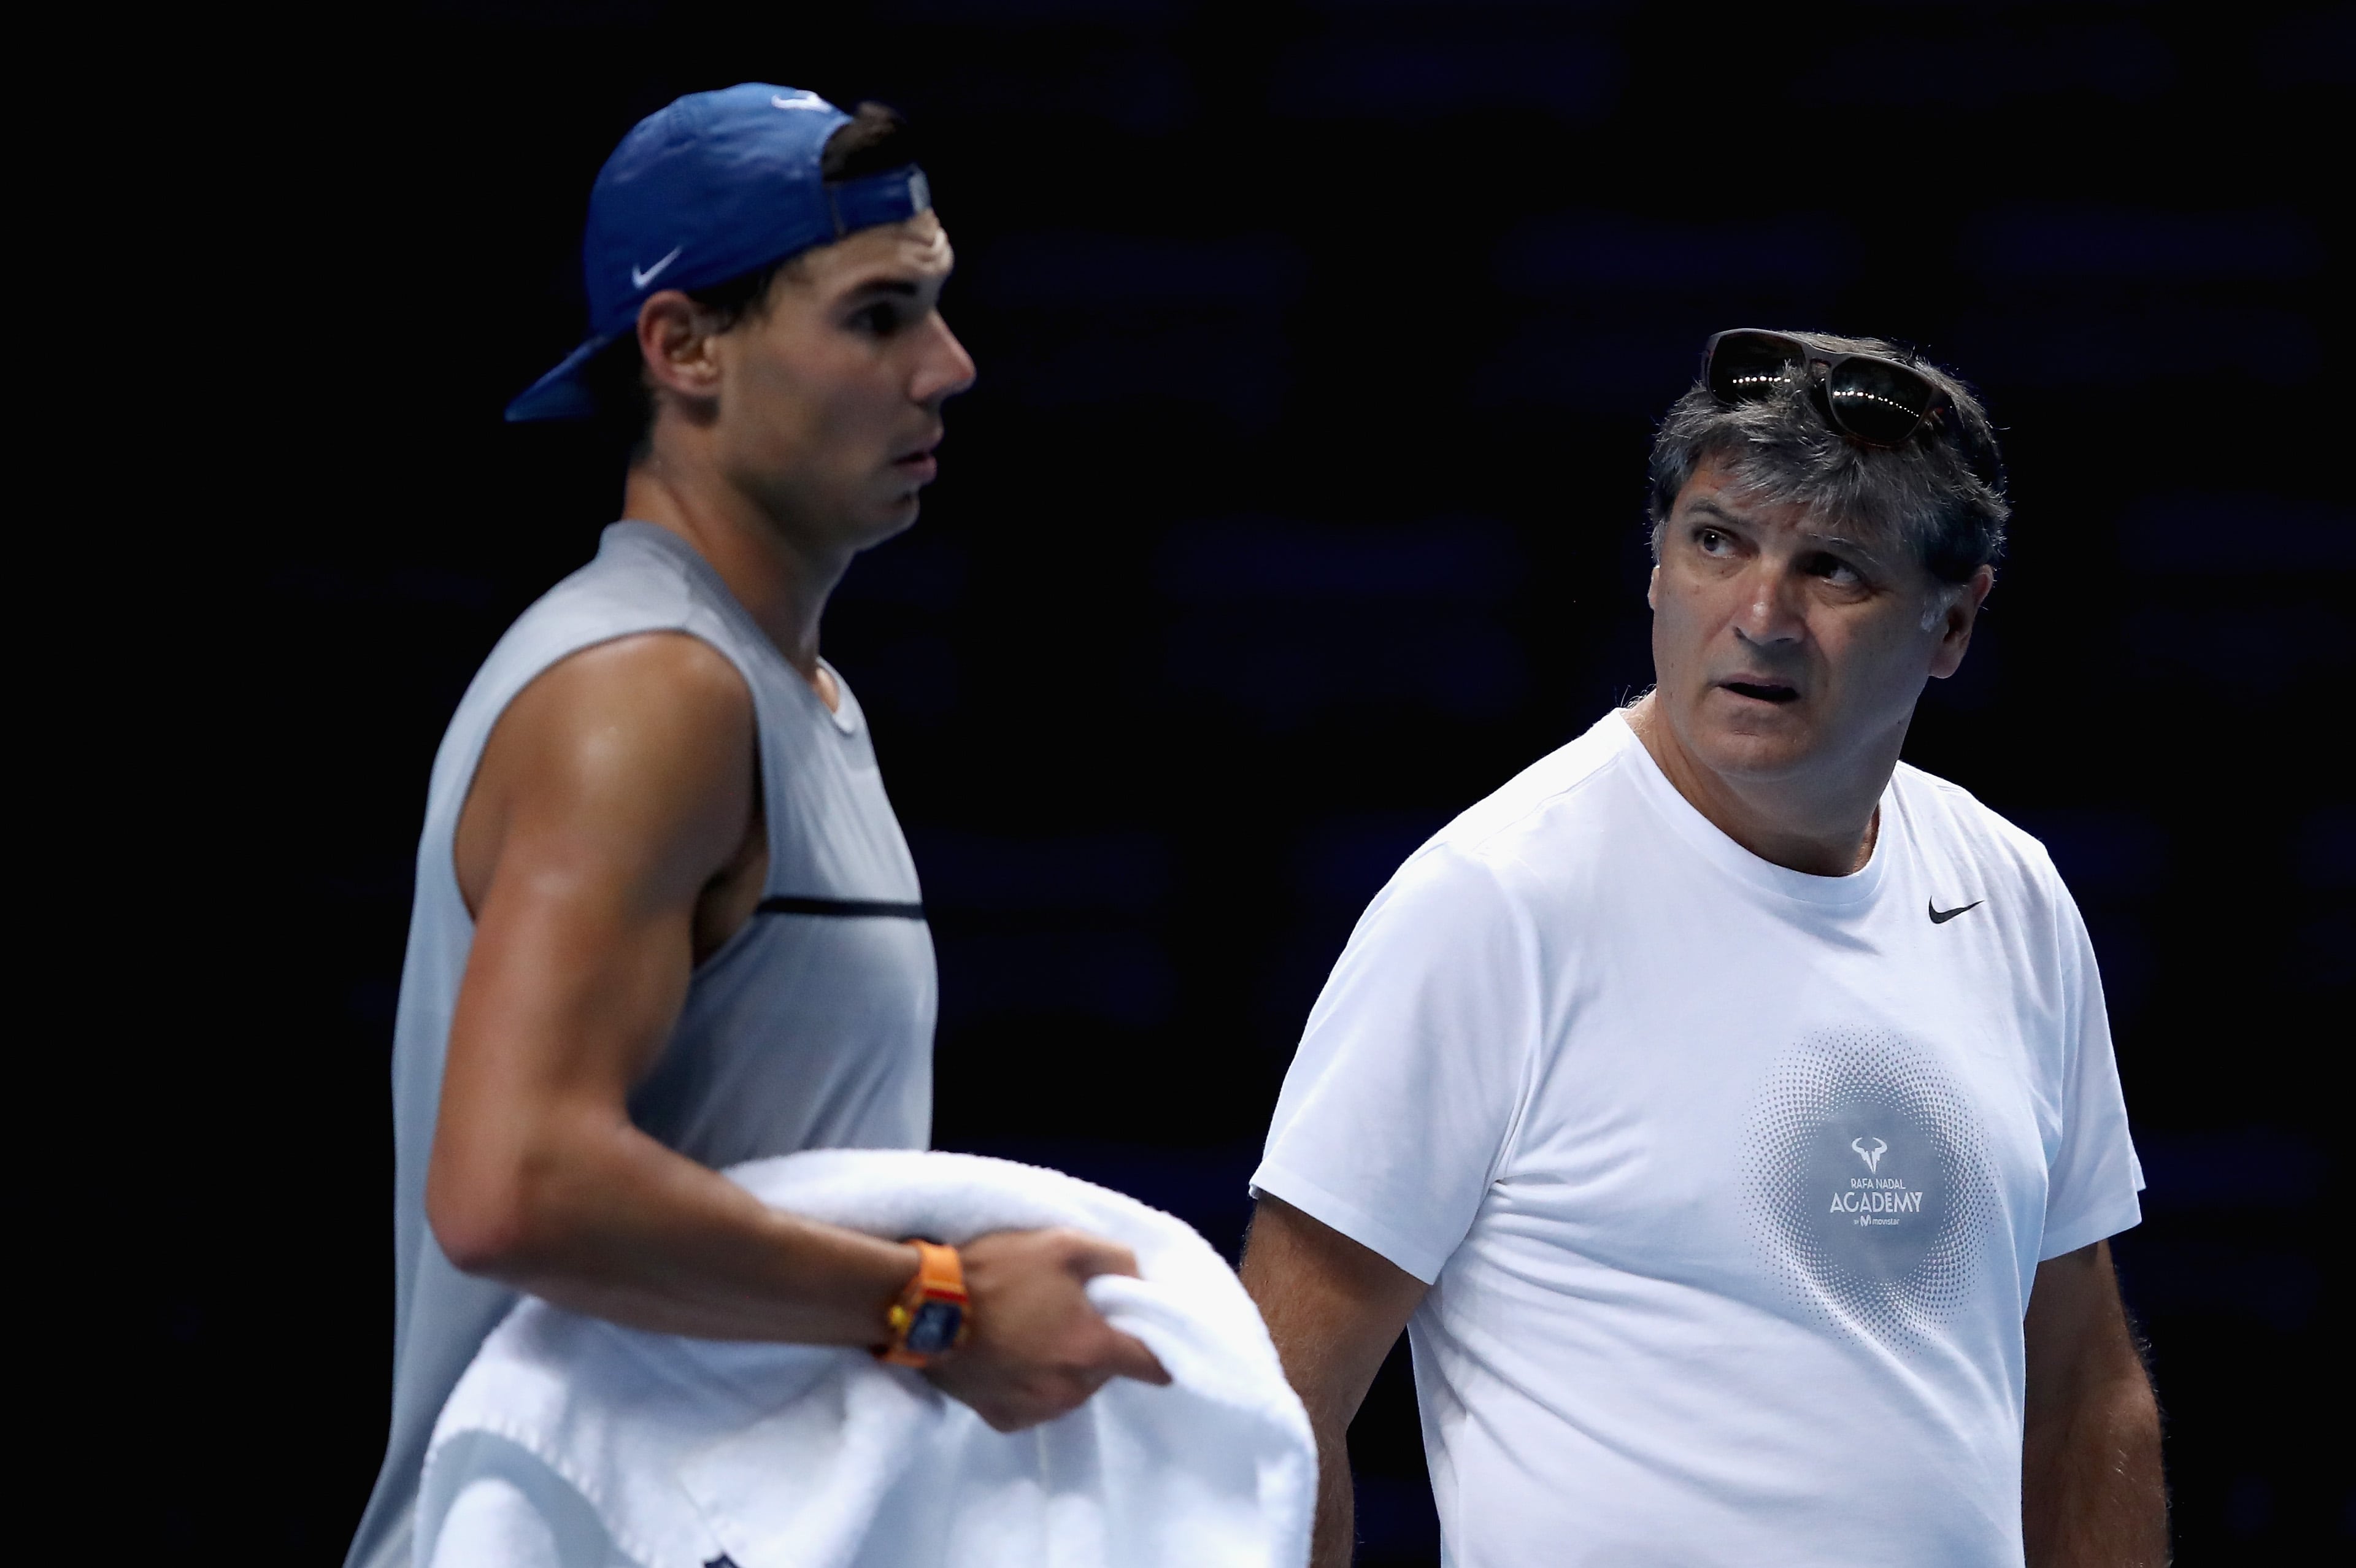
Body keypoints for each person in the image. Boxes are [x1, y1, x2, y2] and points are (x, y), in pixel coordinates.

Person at [345, 85, 1165, 1568]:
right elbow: (514, 1183)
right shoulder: (649, 696)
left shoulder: (783, 693)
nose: (950, 367)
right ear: (684, 349)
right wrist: (942, 1306)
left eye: (942, 307)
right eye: (878, 317)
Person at [1239, 329, 2166, 1566]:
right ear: (1657, 567)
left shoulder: (2008, 893)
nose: (1763, 617)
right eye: (1718, 542)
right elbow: (1276, 1403)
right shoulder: (1491, 904)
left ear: (1955, 622)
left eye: (1836, 569)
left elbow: (2085, 1393)